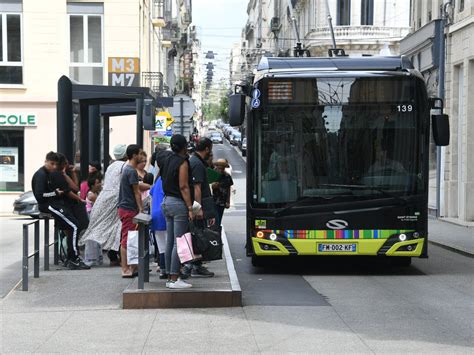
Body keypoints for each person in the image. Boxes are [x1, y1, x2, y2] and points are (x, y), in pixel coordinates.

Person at [32, 152, 89, 270]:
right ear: (46, 161)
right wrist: (55, 193)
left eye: (55, 164)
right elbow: (39, 195)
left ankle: (72, 257)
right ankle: (73, 258)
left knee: (73, 226)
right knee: (74, 226)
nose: (53, 166)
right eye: (51, 164)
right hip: (48, 205)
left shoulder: (49, 174)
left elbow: (72, 188)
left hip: (53, 204)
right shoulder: (41, 175)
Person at [79, 144, 128, 267]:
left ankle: (112, 255)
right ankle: (117, 256)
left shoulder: (111, 166)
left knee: (103, 226)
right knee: (118, 227)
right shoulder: (125, 166)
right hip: (117, 199)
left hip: (104, 198)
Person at [157, 134, 194, 289]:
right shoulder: (182, 162)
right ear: (184, 146)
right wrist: (190, 207)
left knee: (170, 241)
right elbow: (184, 186)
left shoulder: (167, 160)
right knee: (179, 242)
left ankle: (168, 274)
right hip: (178, 204)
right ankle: (174, 278)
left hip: (165, 202)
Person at [184, 137, 216, 278]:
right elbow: (197, 187)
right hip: (199, 205)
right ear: (207, 149)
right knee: (198, 235)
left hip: (200, 204)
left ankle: (195, 265)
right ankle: (195, 266)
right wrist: (199, 208)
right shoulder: (196, 163)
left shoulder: (196, 161)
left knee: (198, 234)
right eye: (211, 149)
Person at [118, 144, 143, 278]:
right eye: (139, 154)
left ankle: (133, 266)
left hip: (124, 208)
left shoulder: (126, 169)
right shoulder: (131, 171)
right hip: (129, 209)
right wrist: (141, 208)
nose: (141, 156)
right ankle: (125, 268)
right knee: (127, 239)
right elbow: (136, 191)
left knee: (130, 237)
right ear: (134, 155)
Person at [149, 176, 167, 279]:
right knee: (170, 243)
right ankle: (170, 270)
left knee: (161, 246)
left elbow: (151, 193)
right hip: (164, 213)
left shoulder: (159, 179)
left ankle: (162, 269)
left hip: (155, 213)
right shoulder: (168, 178)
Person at [212, 159, 234, 226]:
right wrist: (212, 186)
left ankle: (217, 232)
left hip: (222, 201)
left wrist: (228, 201)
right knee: (215, 220)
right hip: (212, 201)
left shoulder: (227, 176)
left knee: (219, 219)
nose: (221, 170)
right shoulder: (212, 174)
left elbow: (228, 189)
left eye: (222, 168)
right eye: (219, 168)